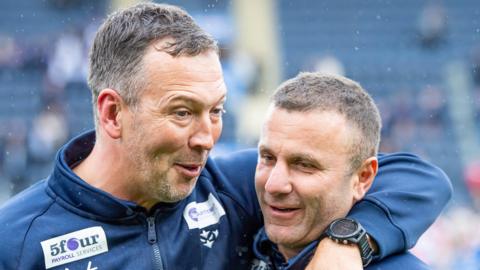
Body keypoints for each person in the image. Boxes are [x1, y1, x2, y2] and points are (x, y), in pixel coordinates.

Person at [0, 3, 451, 270]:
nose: (207, 137)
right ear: (113, 113)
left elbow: (416, 178)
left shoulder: (229, 188)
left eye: (216, 111)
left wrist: (350, 238)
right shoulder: (17, 241)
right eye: (183, 112)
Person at [252, 72, 439, 269]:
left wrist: (346, 239)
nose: (273, 185)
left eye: (304, 165)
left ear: (363, 178)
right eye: (267, 157)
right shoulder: (237, 229)